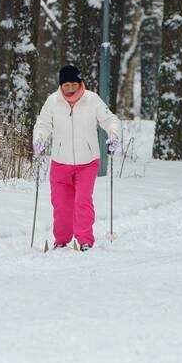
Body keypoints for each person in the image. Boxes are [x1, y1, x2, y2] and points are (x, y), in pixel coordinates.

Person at [32, 64, 122, 251]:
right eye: (67, 85)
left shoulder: (92, 99)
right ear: (61, 85)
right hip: (60, 162)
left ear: (80, 83)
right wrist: (39, 138)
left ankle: (85, 240)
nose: (71, 88)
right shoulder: (52, 101)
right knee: (61, 204)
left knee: (82, 200)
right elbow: (43, 124)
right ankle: (61, 240)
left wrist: (113, 135)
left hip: (87, 162)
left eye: (74, 84)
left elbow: (110, 119)